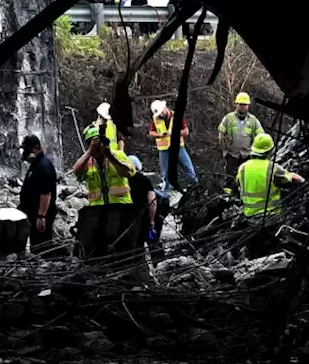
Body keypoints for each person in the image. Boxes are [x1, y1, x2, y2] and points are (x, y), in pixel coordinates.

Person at [72, 125, 137, 261]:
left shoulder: (118, 155)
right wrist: (90, 152)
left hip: (121, 210)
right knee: (99, 251)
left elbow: (128, 172)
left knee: (124, 251)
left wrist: (110, 156)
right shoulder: (88, 162)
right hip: (97, 212)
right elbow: (77, 171)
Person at [235, 133, 304, 258]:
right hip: (271, 220)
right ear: (270, 151)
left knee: (255, 253)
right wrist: (303, 180)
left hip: (250, 219)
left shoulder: (242, 168)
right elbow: (292, 178)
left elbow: (238, 185)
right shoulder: (272, 168)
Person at [19, 134, 59, 258]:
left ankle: (48, 269)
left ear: (36, 148)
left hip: (40, 214)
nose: (25, 153)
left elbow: (45, 193)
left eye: (27, 150)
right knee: (36, 244)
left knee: (42, 246)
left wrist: (41, 216)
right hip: (33, 213)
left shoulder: (43, 166)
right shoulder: (36, 164)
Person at [218, 92, 264, 186]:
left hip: (247, 155)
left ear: (248, 106)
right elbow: (221, 135)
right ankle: (229, 197)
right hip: (232, 155)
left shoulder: (253, 120)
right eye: (241, 104)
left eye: (245, 104)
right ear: (236, 104)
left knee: (246, 179)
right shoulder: (228, 118)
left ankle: (242, 196)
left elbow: (261, 136)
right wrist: (224, 151)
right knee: (230, 180)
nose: (243, 106)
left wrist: (256, 152)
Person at [150, 99, 196, 192]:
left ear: (165, 108)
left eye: (161, 112)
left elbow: (186, 131)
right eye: (159, 114)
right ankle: (165, 194)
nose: (160, 115)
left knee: (188, 168)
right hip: (163, 150)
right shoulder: (156, 118)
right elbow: (151, 132)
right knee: (165, 174)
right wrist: (160, 134)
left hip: (178, 147)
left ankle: (196, 187)